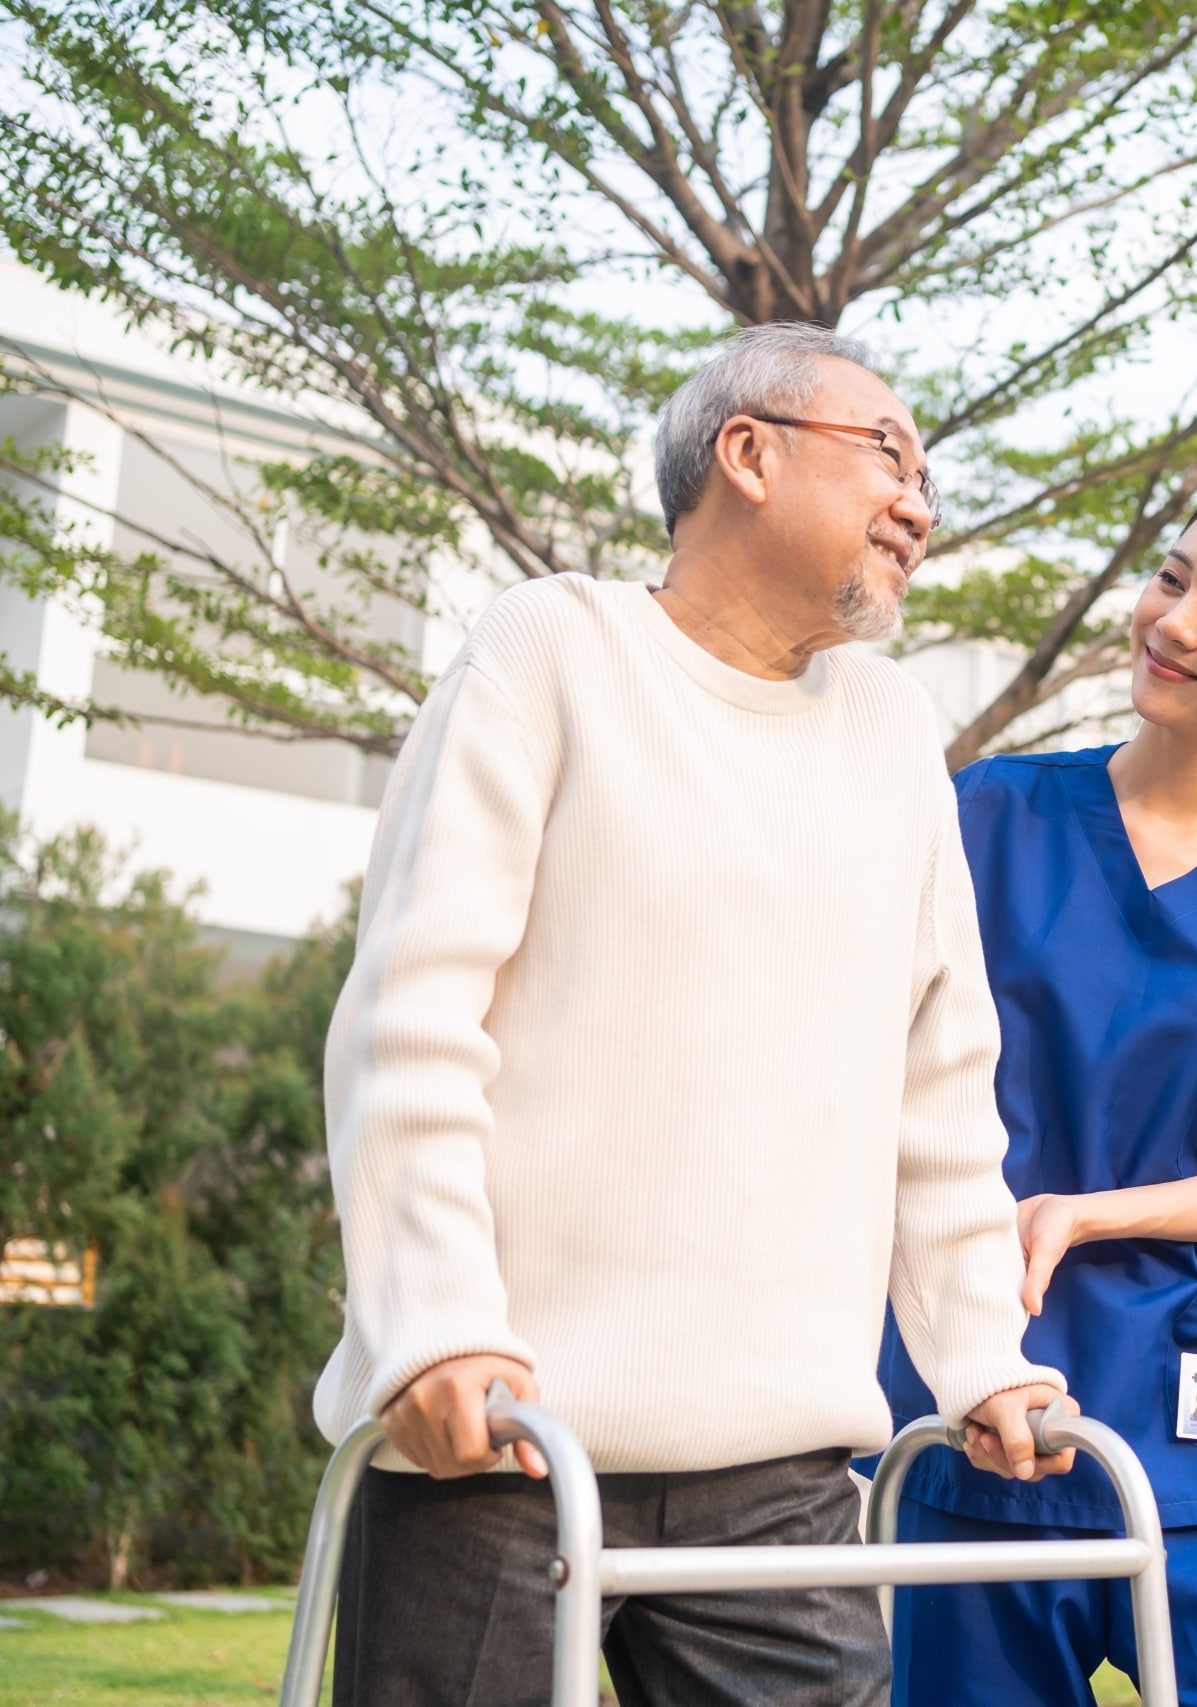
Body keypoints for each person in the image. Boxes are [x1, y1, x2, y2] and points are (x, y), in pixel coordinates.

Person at [314, 323, 1072, 1707]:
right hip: (502, 1435)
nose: (921, 500)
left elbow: (942, 1082)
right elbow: (412, 1014)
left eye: (927, 472)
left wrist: (982, 1355)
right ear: (750, 452)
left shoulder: (894, 731)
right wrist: (432, 1323)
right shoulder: (552, 647)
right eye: (887, 454)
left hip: (780, 1469)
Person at [877, 481, 1197, 1707]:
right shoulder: (988, 818)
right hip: (985, 1406)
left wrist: (1089, 1212)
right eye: (1171, 580)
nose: (1173, 622)